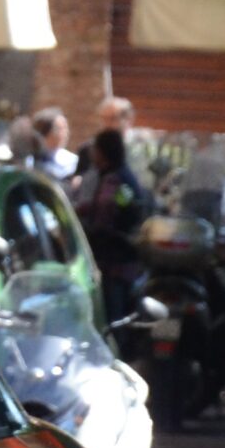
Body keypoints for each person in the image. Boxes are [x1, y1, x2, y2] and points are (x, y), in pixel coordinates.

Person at [72, 127, 150, 318]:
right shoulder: (122, 176)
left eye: (95, 149)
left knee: (111, 316)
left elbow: (109, 214)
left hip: (113, 261)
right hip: (122, 258)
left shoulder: (114, 180)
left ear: (102, 151)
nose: (92, 154)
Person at [26, 107, 76, 179]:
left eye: (66, 128)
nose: (66, 133)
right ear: (45, 132)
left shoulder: (71, 162)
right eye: (60, 129)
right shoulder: (29, 160)